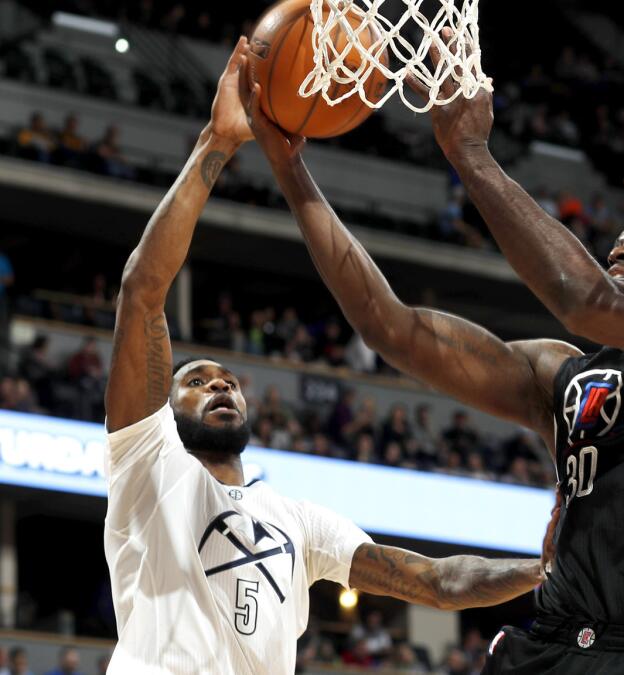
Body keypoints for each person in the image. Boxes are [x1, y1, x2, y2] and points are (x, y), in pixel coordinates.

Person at [243, 34, 624, 674]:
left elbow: (585, 297)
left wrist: (470, 154)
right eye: (615, 247)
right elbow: (393, 330)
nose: (618, 253)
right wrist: (288, 167)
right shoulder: (561, 373)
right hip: (551, 645)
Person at [103, 39, 552, 675]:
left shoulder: (299, 521)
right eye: (198, 382)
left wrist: (545, 566)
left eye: (228, 381)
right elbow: (142, 294)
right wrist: (217, 142)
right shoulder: (147, 465)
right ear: (164, 409)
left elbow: (437, 583)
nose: (221, 388)